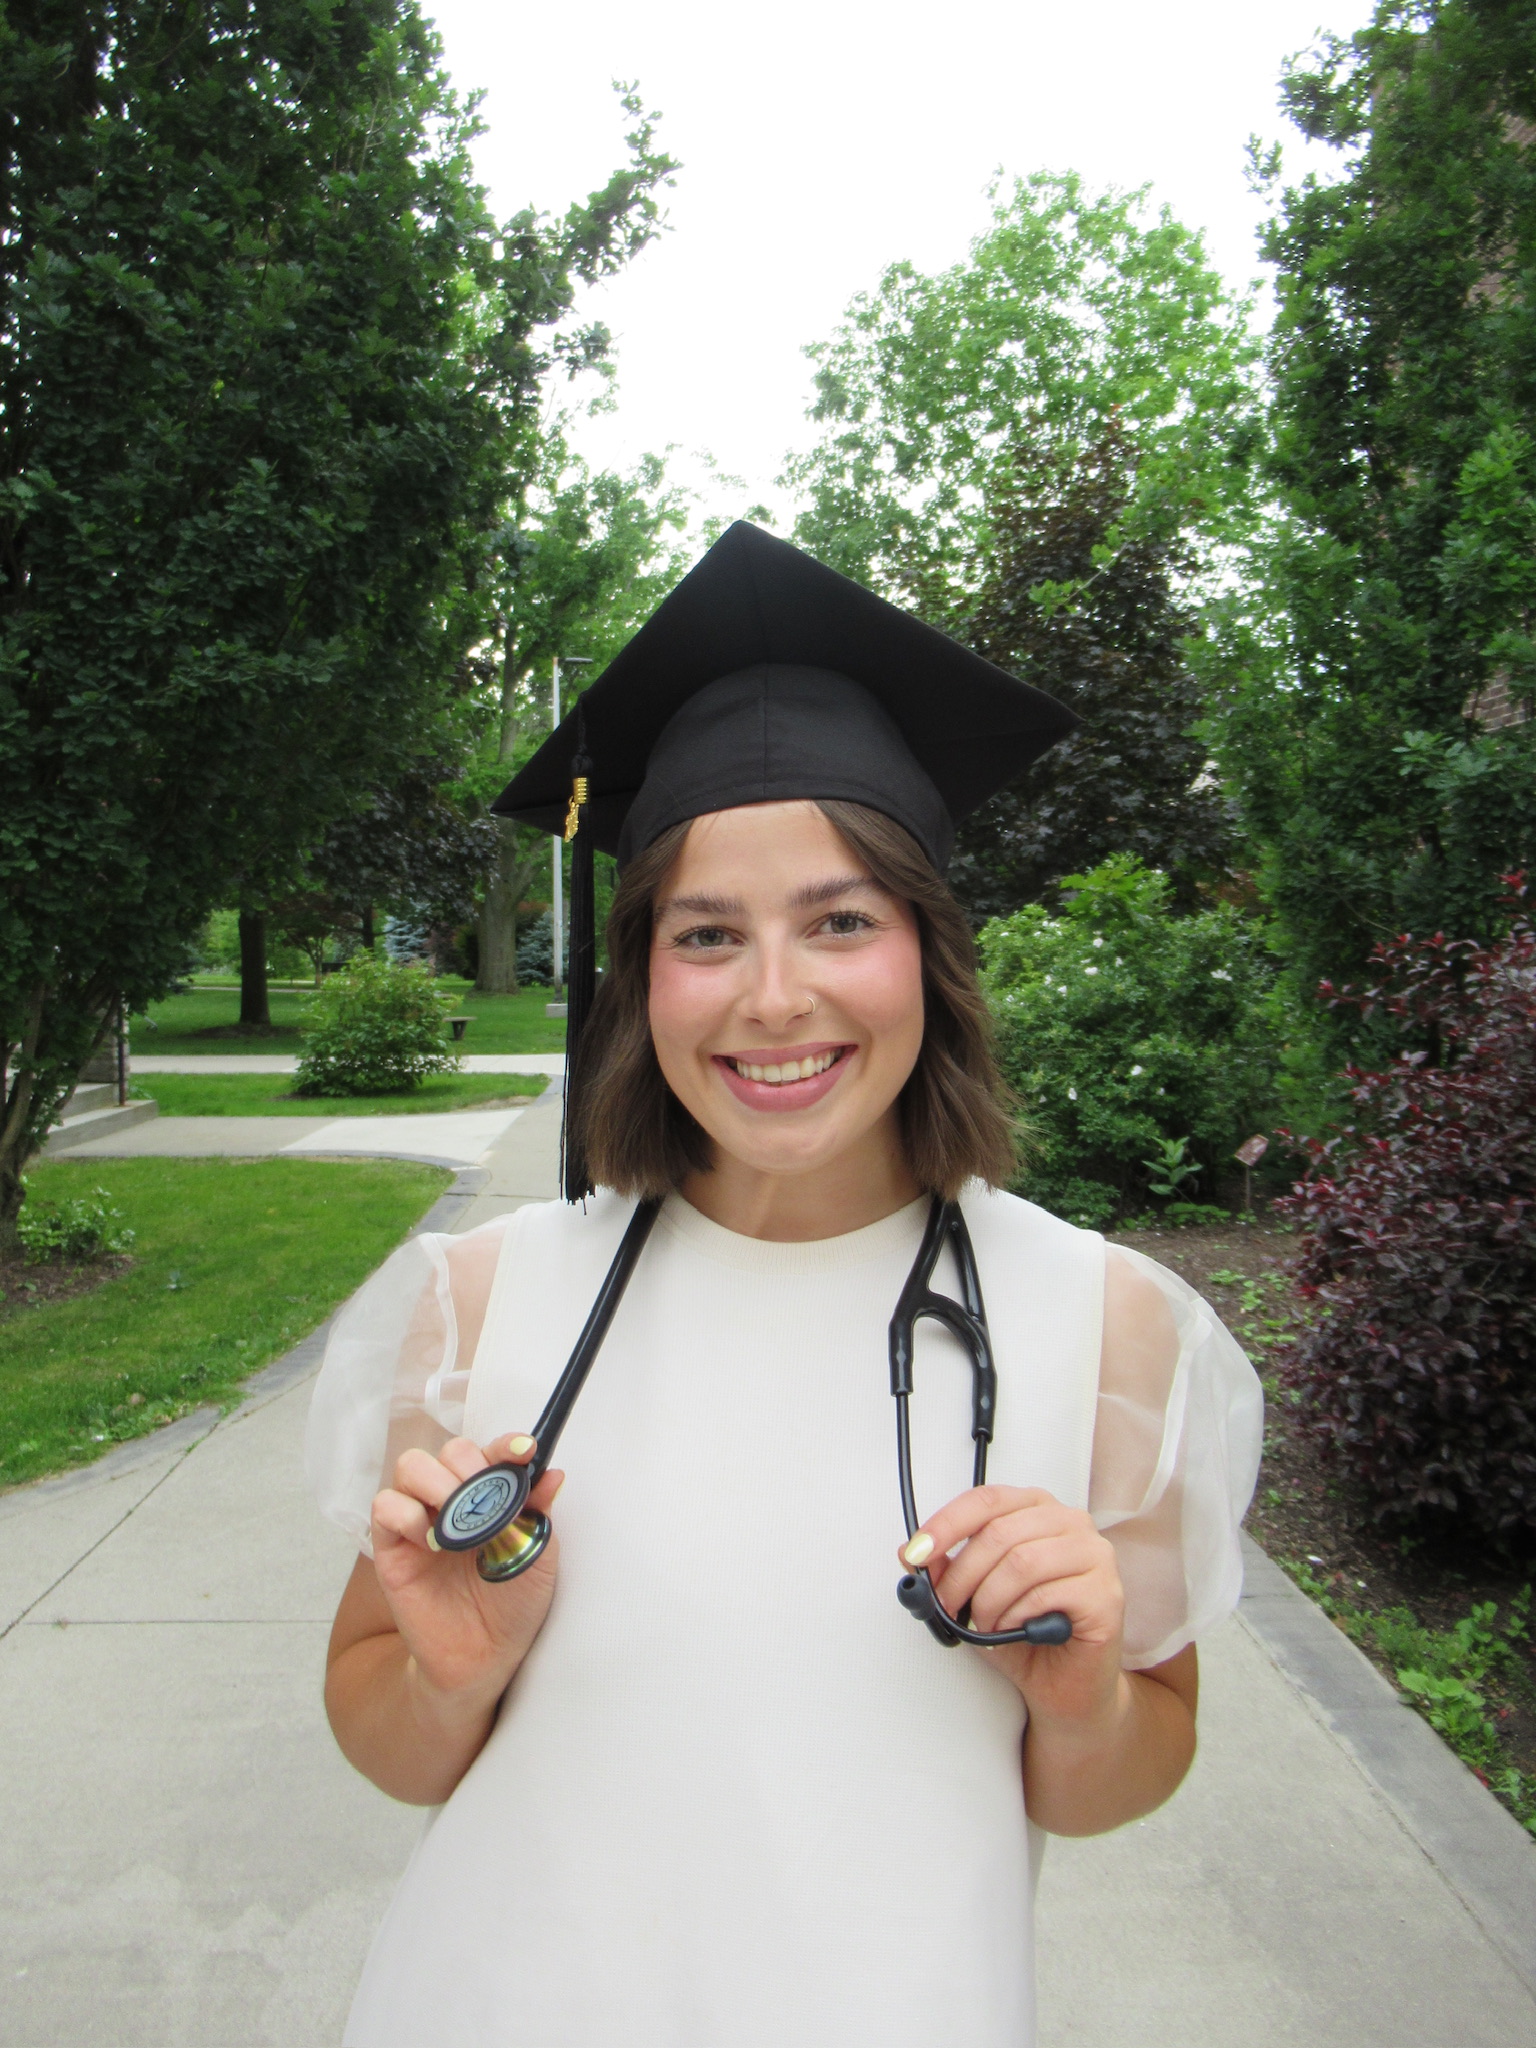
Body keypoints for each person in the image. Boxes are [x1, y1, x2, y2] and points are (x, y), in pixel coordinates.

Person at [307, 522, 1263, 2048]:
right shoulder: (486, 1307)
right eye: (706, 935)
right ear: (640, 978)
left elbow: (1117, 1783)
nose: (774, 997)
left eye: (840, 921)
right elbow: (393, 1744)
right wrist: (450, 1676)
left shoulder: (1107, 1326)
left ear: (927, 952)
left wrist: (1081, 1692)